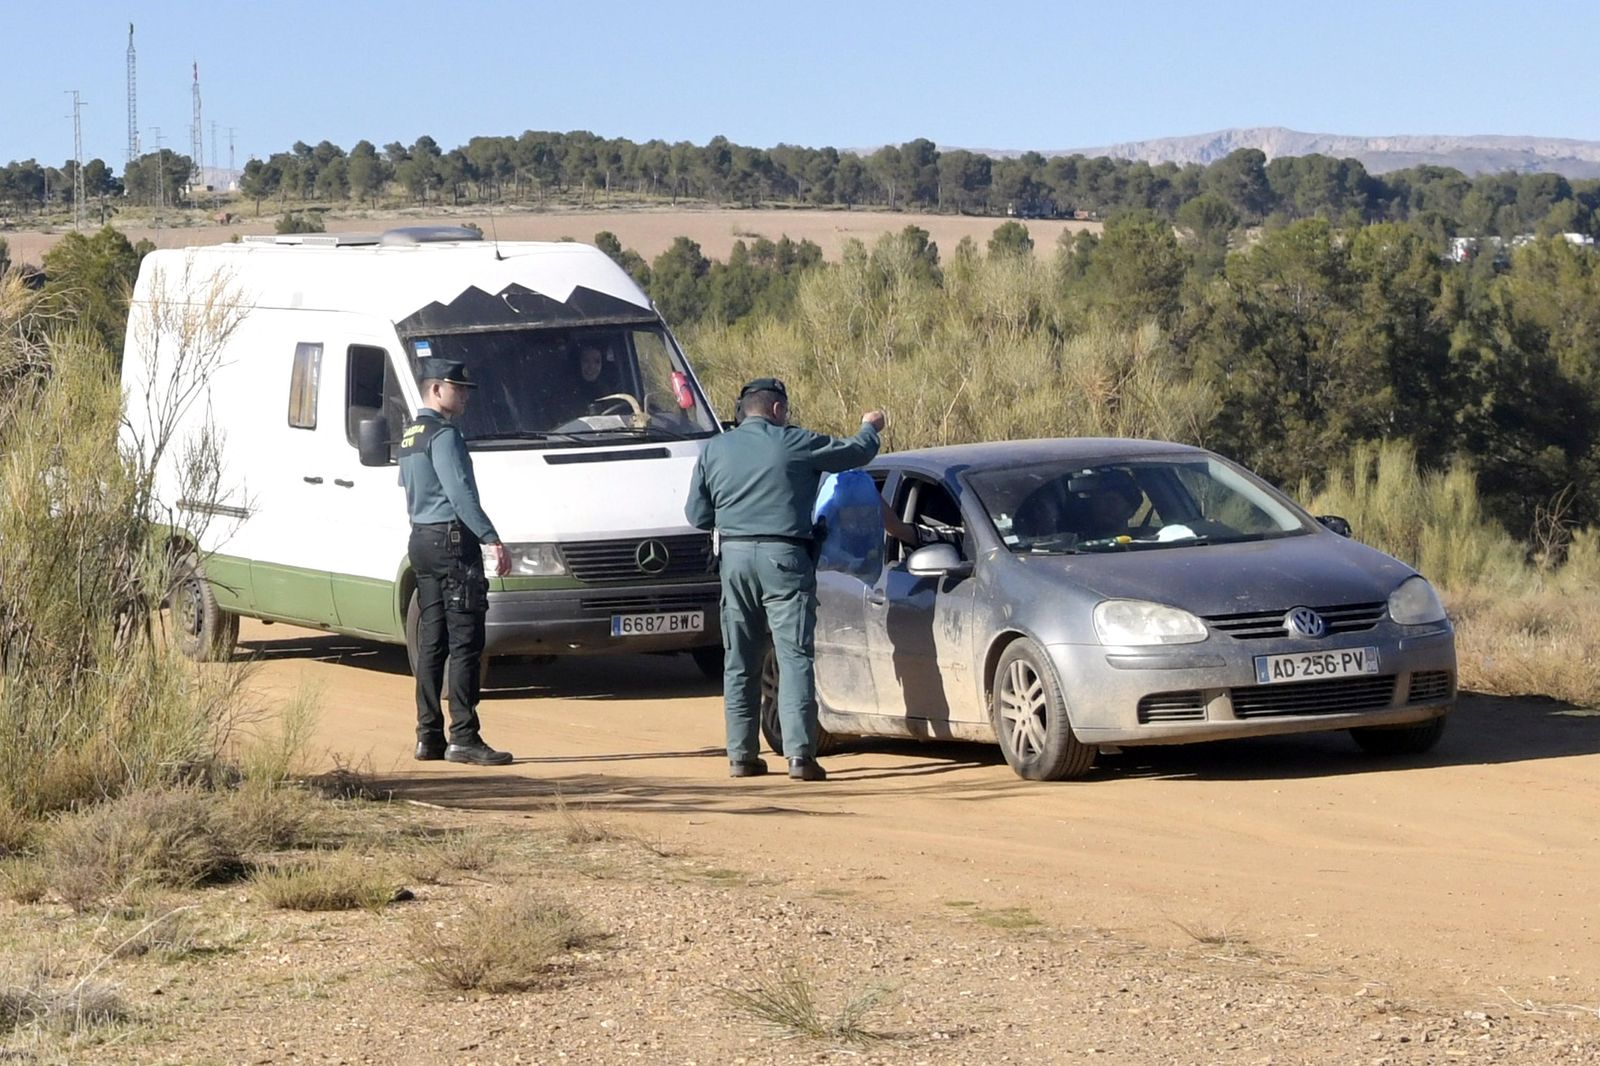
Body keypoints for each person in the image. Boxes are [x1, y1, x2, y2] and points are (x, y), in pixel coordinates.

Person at [686, 379, 886, 781]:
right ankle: (799, 756)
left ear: (745, 411)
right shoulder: (794, 441)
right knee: (793, 656)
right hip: (785, 558)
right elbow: (855, 452)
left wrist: (734, 520)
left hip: (735, 561)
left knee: (739, 659)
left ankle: (741, 756)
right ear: (777, 410)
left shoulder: (715, 449)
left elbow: (697, 515)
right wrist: (870, 426)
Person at [398, 357, 514, 766]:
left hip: (422, 541)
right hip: (451, 542)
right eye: (457, 388)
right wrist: (491, 538)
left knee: (432, 641)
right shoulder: (443, 435)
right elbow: (461, 494)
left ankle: (427, 736)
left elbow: (410, 491)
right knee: (465, 641)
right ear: (435, 390)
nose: (464, 395)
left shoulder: (410, 437)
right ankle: (463, 735)